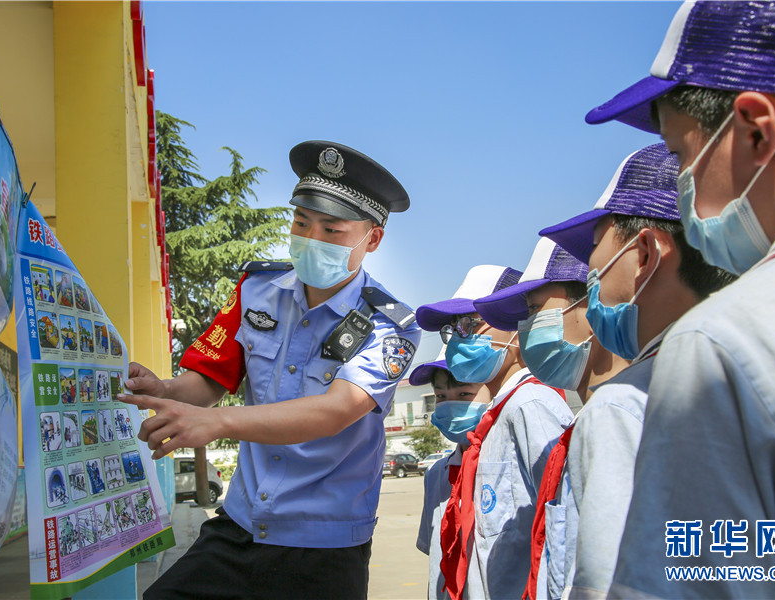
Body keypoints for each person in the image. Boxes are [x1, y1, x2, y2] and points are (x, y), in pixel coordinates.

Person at [122, 141, 422, 600]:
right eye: (301, 222)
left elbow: (335, 411)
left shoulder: (390, 326)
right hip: (241, 522)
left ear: (372, 239)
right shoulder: (256, 290)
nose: (311, 238)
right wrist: (164, 388)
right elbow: (211, 380)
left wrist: (218, 423)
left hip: (324, 543)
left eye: (332, 229)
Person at [585, 1, 775, 597]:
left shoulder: (724, 342)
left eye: (681, 156)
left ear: (758, 130)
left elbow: (705, 580)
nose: (682, 188)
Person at [525, 143, 734, 599]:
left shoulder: (624, 407)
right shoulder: (748, 373)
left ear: (644, 253)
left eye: (593, 250)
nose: (590, 273)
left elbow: (609, 585)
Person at [473, 238, 629, 599]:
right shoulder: (585, 422)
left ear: (591, 302)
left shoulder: (616, 417)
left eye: (534, 309)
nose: (525, 327)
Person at [417, 265, 574, 600]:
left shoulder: (530, 404)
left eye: (470, 324)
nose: (458, 339)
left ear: (515, 324)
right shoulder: (494, 418)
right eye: (452, 330)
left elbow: (565, 524)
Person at [411, 352, 491, 600]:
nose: (450, 405)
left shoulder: (502, 466)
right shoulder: (436, 474)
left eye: (464, 394)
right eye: (441, 397)